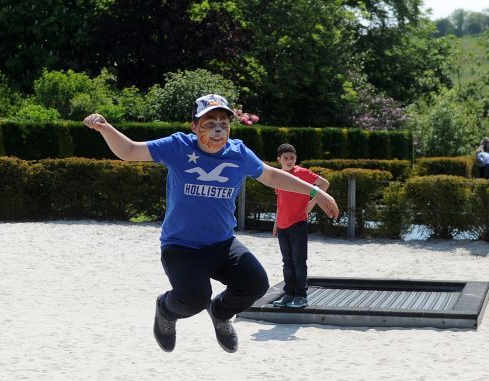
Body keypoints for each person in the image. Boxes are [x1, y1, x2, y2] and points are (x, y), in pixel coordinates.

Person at [84, 94, 339, 353]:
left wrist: (316, 192)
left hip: (221, 244)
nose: (218, 130)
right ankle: (165, 309)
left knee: (256, 283)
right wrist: (105, 127)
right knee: (195, 298)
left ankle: (220, 313)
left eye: (223, 124)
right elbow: (129, 151)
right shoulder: (178, 147)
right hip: (181, 246)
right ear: (194, 127)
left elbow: (271, 175)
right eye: (209, 123)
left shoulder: (238, 153)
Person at [271, 143, 331, 308]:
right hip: (282, 225)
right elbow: (280, 201)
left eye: (292, 158)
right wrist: (276, 222)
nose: (289, 161)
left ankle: (301, 296)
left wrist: (312, 203)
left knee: (299, 261)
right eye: (285, 158)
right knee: (287, 262)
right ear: (279, 160)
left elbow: (324, 184)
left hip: (298, 223)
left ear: (296, 159)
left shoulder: (302, 173)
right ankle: (289, 294)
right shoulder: (278, 175)